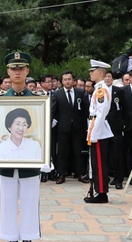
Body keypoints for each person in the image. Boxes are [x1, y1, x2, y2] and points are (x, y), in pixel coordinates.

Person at [0, 52, 50, 242]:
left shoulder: (39, 101)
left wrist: (45, 156)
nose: (18, 72)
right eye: (14, 68)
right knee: (8, 203)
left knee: (31, 204)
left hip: (31, 165)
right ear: (8, 72)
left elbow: (44, 134)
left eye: (21, 68)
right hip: (6, 163)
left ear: (28, 71)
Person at [51, 70, 90, 184]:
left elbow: (85, 109)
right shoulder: (57, 94)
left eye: (69, 79)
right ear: (62, 81)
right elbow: (53, 110)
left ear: (73, 81)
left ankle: (80, 173)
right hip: (62, 127)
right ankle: (61, 174)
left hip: (78, 127)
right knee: (62, 152)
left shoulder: (80, 92)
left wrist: (85, 125)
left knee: (78, 151)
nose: (67, 81)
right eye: (65, 80)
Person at [86, 60, 115, 203]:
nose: (90, 74)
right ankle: (99, 190)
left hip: (99, 131)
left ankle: (102, 193)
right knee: (96, 163)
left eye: (92, 71)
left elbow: (101, 114)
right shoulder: (99, 89)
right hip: (96, 128)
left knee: (99, 163)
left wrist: (94, 135)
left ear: (100, 73)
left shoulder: (101, 91)